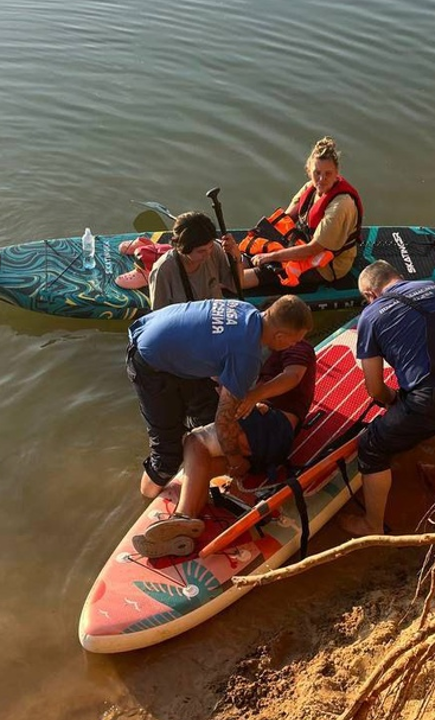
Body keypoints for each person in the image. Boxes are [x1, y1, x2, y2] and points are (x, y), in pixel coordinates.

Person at [341, 260, 435, 536]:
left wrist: (397, 402)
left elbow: (374, 389)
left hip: (433, 399)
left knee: (372, 446)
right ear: (398, 277)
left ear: (369, 294)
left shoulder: (372, 315)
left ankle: (371, 525)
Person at [133, 338, 318, 558]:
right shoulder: (268, 353)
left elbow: (293, 376)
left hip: (273, 427)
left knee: (195, 441)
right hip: (265, 447)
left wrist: (253, 396)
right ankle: (180, 536)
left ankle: (183, 516)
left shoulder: (296, 343)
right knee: (204, 468)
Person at [126, 295, 313, 500]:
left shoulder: (246, 310)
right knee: (167, 455)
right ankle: (148, 497)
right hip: (149, 364)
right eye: (294, 341)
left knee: (206, 416)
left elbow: (215, 355)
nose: (295, 345)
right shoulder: (248, 356)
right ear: (279, 336)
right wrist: (235, 460)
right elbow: (223, 422)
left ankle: (195, 468)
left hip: (152, 333)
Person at [242, 136, 363, 290]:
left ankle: (235, 282)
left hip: (326, 265)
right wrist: (264, 242)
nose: (321, 179)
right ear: (308, 170)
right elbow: (286, 220)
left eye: (328, 174)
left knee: (269, 269)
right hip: (303, 243)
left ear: (337, 173)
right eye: (317, 173)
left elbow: (314, 249)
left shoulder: (341, 205)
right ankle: (232, 266)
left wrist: (271, 256)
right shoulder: (309, 188)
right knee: (255, 248)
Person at [116, 211, 246, 308]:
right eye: (201, 251)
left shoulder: (215, 251)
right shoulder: (164, 270)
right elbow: (159, 316)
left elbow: (235, 286)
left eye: (210, 247)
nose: (207, 255)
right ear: (183, 248)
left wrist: (236, 257)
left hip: (213, 319)